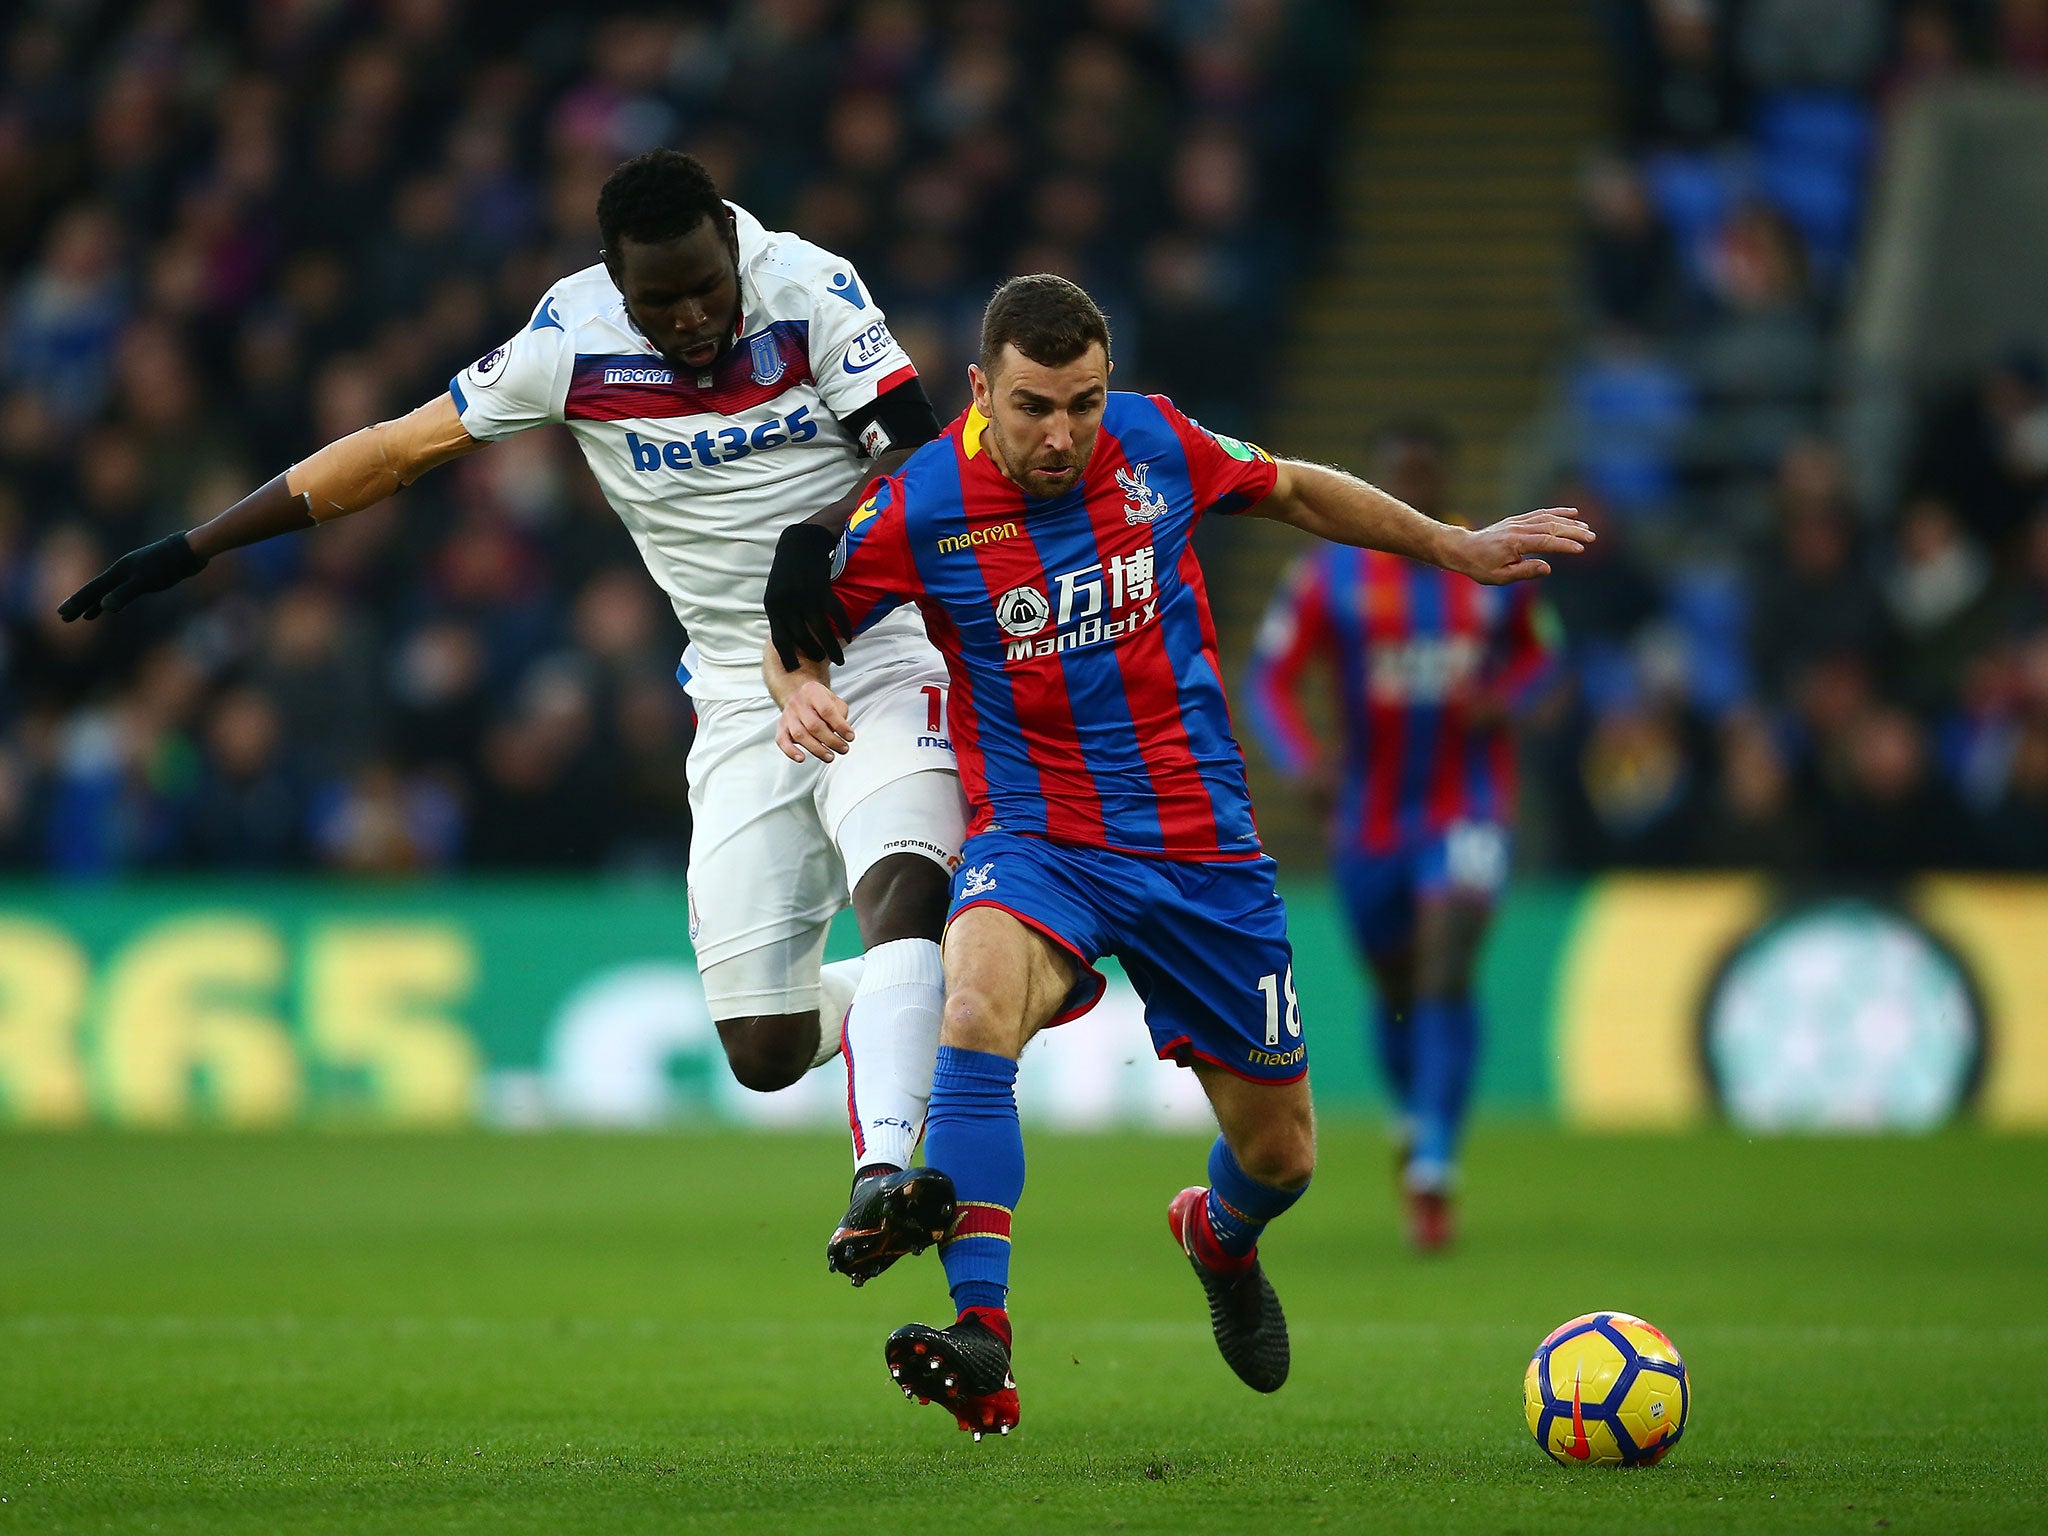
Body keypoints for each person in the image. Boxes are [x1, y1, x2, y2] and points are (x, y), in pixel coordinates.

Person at [57, 149, 964, 1279]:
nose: (687, 318)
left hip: (880, 648)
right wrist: (193, 548)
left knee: (902, 885)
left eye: (703, 290)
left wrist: (818, 536)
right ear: (611, 280)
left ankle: (883, 1175)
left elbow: (924, 458)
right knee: (765, 1051)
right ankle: (953, 982)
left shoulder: (807, 288)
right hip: (738, 691)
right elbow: (389, 454)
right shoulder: (567, 342)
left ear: (732, 250)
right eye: (657, 301)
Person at [765, 275, 1590, 1438]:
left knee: (1282, 1153)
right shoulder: (919, 504)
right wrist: (798, 688)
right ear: (979, 391)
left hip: (1203, 851)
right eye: (1033, 406)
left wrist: (1450, 547)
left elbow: (1296, 488)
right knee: (976, 999)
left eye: (1082, 404)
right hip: (1038, 838)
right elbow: (796, 635)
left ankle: (1218, 1235)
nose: (1060, 434)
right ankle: (981, 1341)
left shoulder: (1155, 440)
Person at [1245, 422, 1559, 1252]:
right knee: (1395, 983)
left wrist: (1510, 698)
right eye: (1396, 474)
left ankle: (1435, 1163)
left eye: (1423, 472)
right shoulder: (1327, 574)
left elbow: (1545, 656)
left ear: (1442, 480)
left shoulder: (1487, 568)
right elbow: (1269, 679)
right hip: (1369, 817)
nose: (1409, 486)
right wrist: (1304, 762)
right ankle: (1415, 1116)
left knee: (1445, 962)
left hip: (1470, 802)